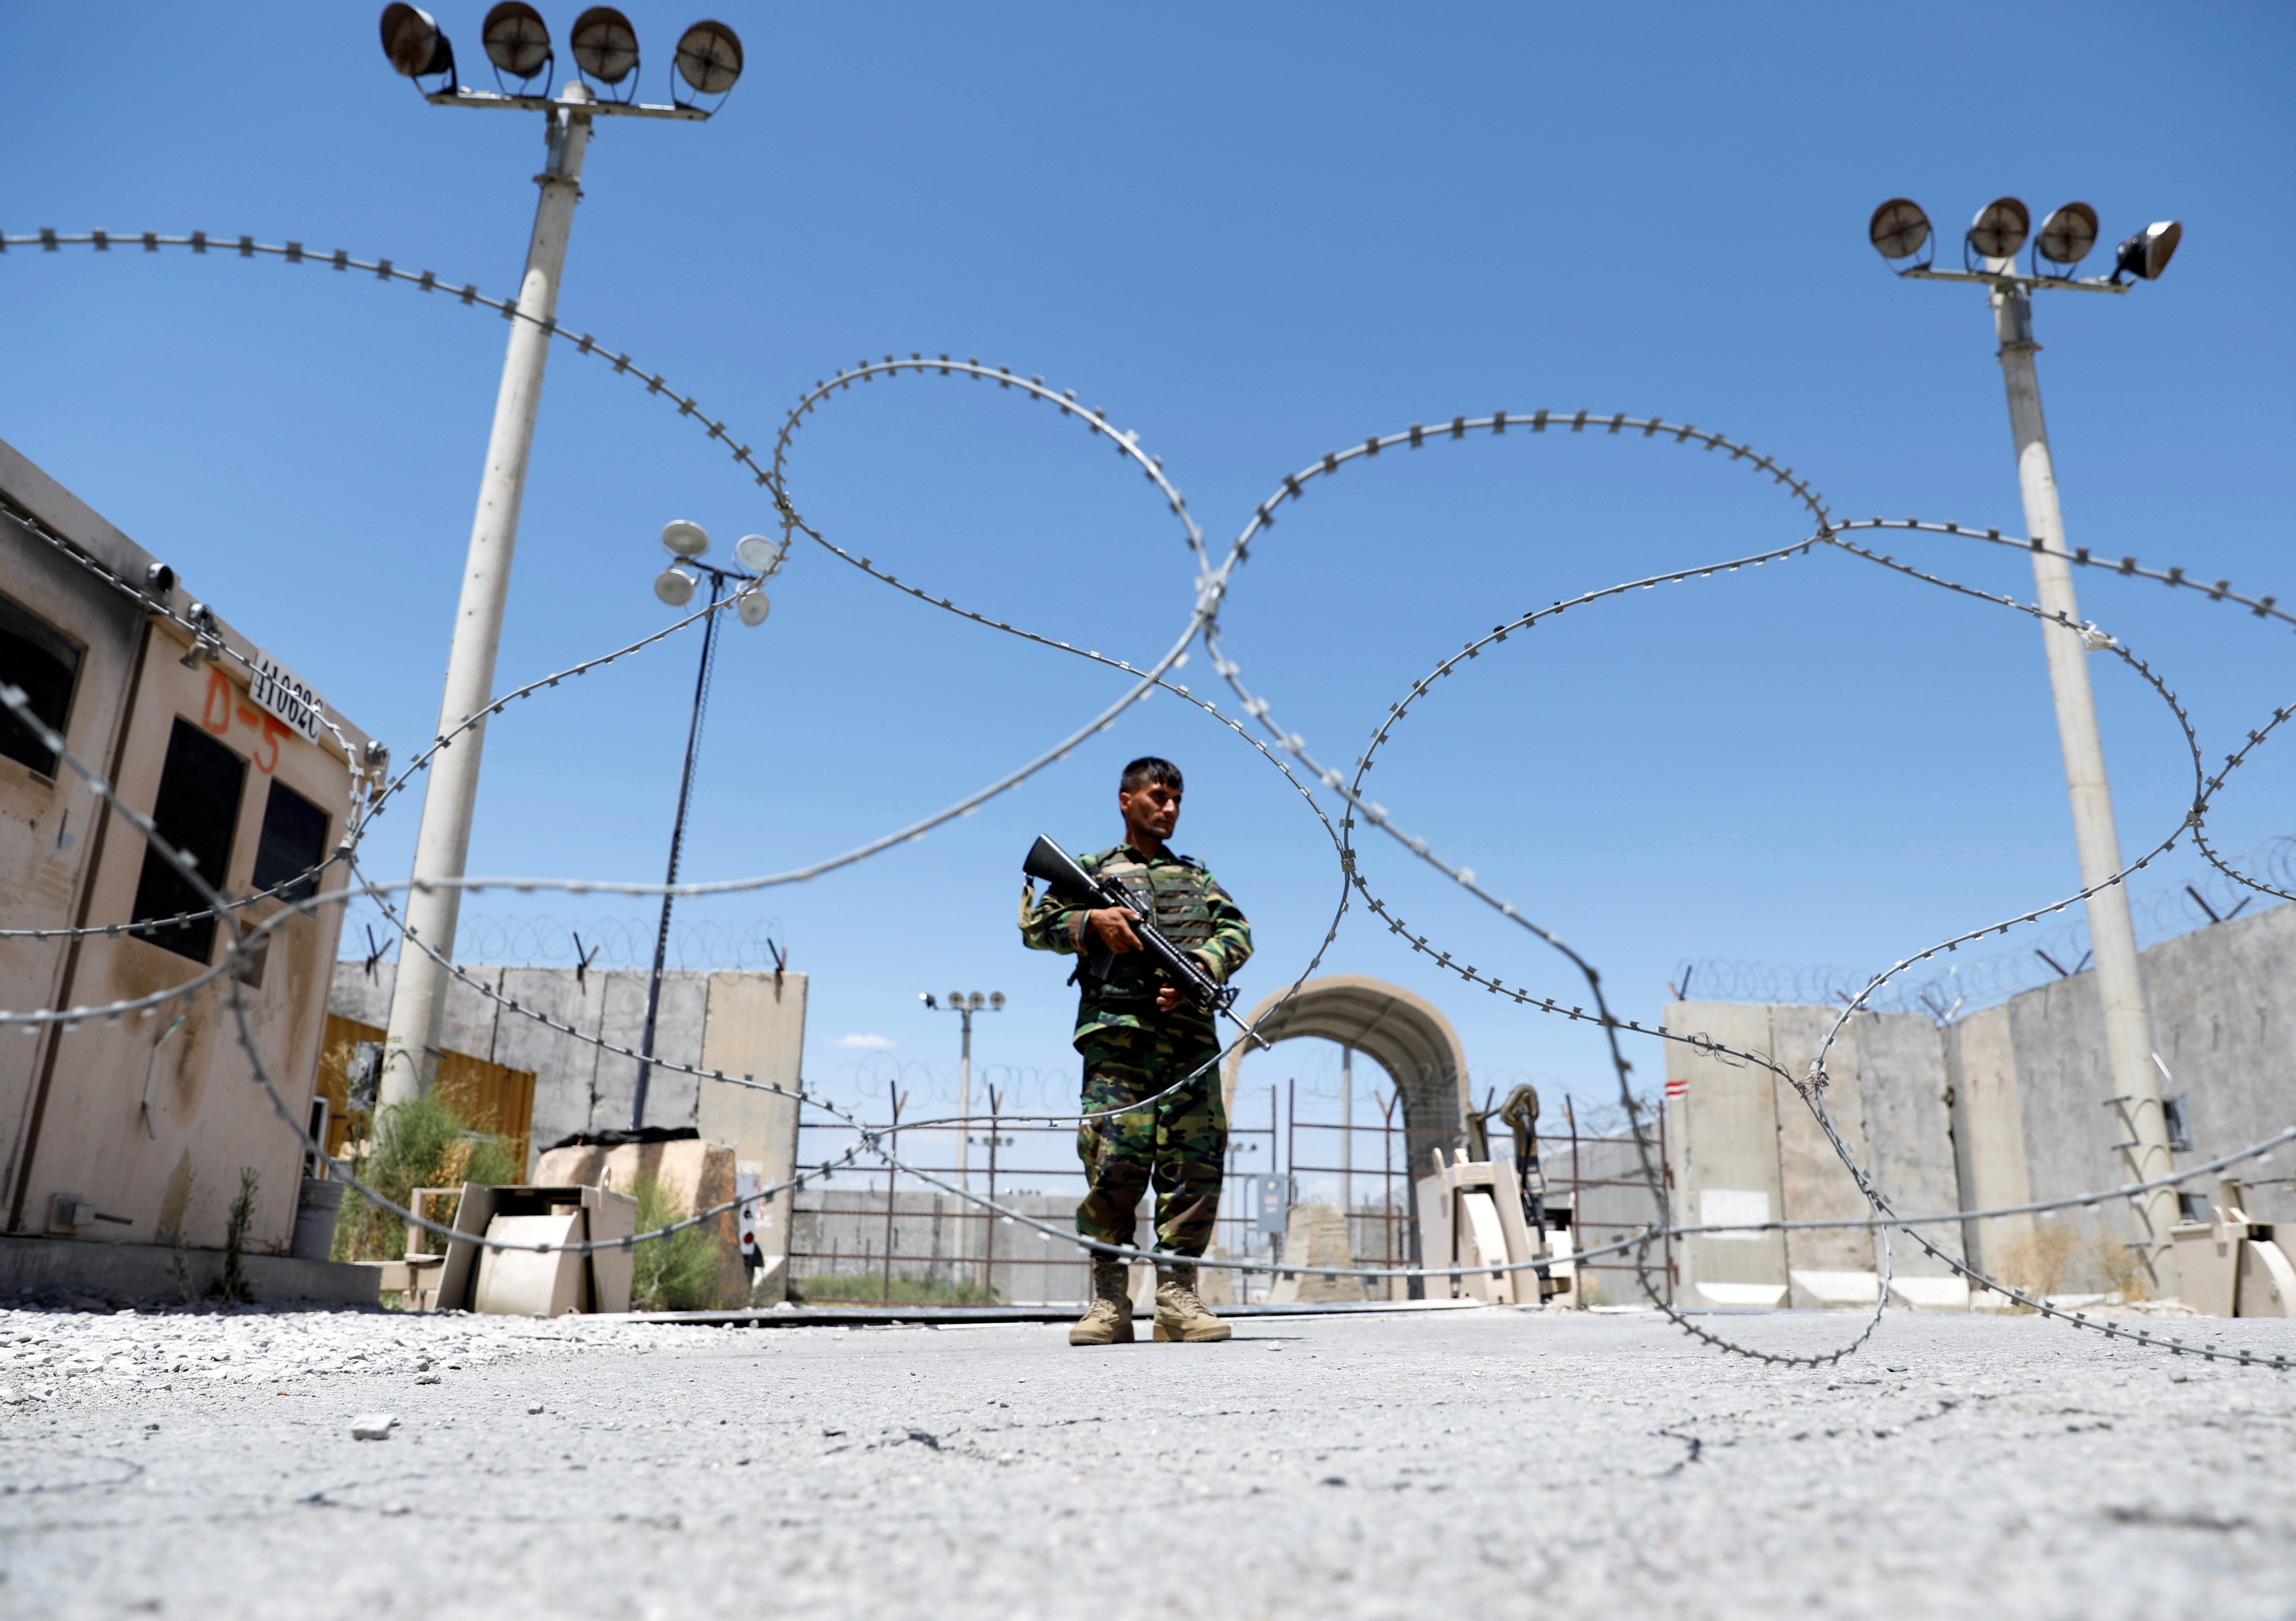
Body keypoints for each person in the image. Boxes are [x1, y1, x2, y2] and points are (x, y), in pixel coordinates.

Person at [1020, 756, 1252, 1345]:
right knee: (1113, 1164)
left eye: (1177, 800)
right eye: (1157, 797)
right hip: (1117, 1041)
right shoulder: (1092, 870)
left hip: (1189, 1044)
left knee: (1194, 1167)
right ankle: (1108, 1302)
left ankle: (1176, 1300)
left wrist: (1202, 966)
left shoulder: (1197, 879)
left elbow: (1237, 933)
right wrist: (1092, 922)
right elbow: (1036, 928)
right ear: (1127, 801)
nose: (1169, 809)